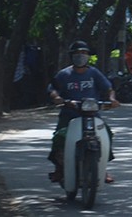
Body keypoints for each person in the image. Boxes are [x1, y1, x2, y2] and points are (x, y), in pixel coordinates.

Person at [47, 40, 120, 184]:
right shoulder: (64, 74)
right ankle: (59, 169)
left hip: (92, 114)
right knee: (59, 138)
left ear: (88, 56)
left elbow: (108, 88)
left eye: (84, 53)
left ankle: (102, 168)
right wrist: (57, 98)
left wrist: (112, 99)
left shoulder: (94, 73)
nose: (81, 56)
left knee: (106, 133)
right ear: (72, 56)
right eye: (77, 53)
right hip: (69, 114)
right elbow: (53, 89)